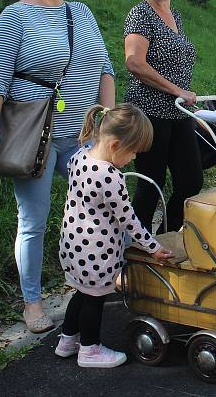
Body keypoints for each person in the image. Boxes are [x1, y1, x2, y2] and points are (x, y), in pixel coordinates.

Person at [0, 0, 115, 334]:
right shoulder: (13, 18)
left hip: (83, 137)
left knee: (103, 205)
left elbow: (105, 68)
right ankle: (31, 303)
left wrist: (109, 124)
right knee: (33, 221)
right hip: (36, 139)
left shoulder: (81, 13)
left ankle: (102, 276)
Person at [55, 103, 174, 367]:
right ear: (115, 145)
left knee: (81, 293)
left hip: (73, 244)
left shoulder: (80, 156)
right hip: (97, 251)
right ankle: (89, 350)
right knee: (94, 301)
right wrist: (153, 247)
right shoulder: (109, 176)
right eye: (132, 152)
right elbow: (129, 219)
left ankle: (67, 340)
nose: (132, 158)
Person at [123, 0, 203, 235]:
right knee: (151, 183)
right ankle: (134, 250)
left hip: (179, 112)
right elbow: (134, 62)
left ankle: (163, 238)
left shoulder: (176, 16)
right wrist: (177, 90)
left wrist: (182, 94)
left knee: (191, 181)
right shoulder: (141, 14)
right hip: (150, 112)